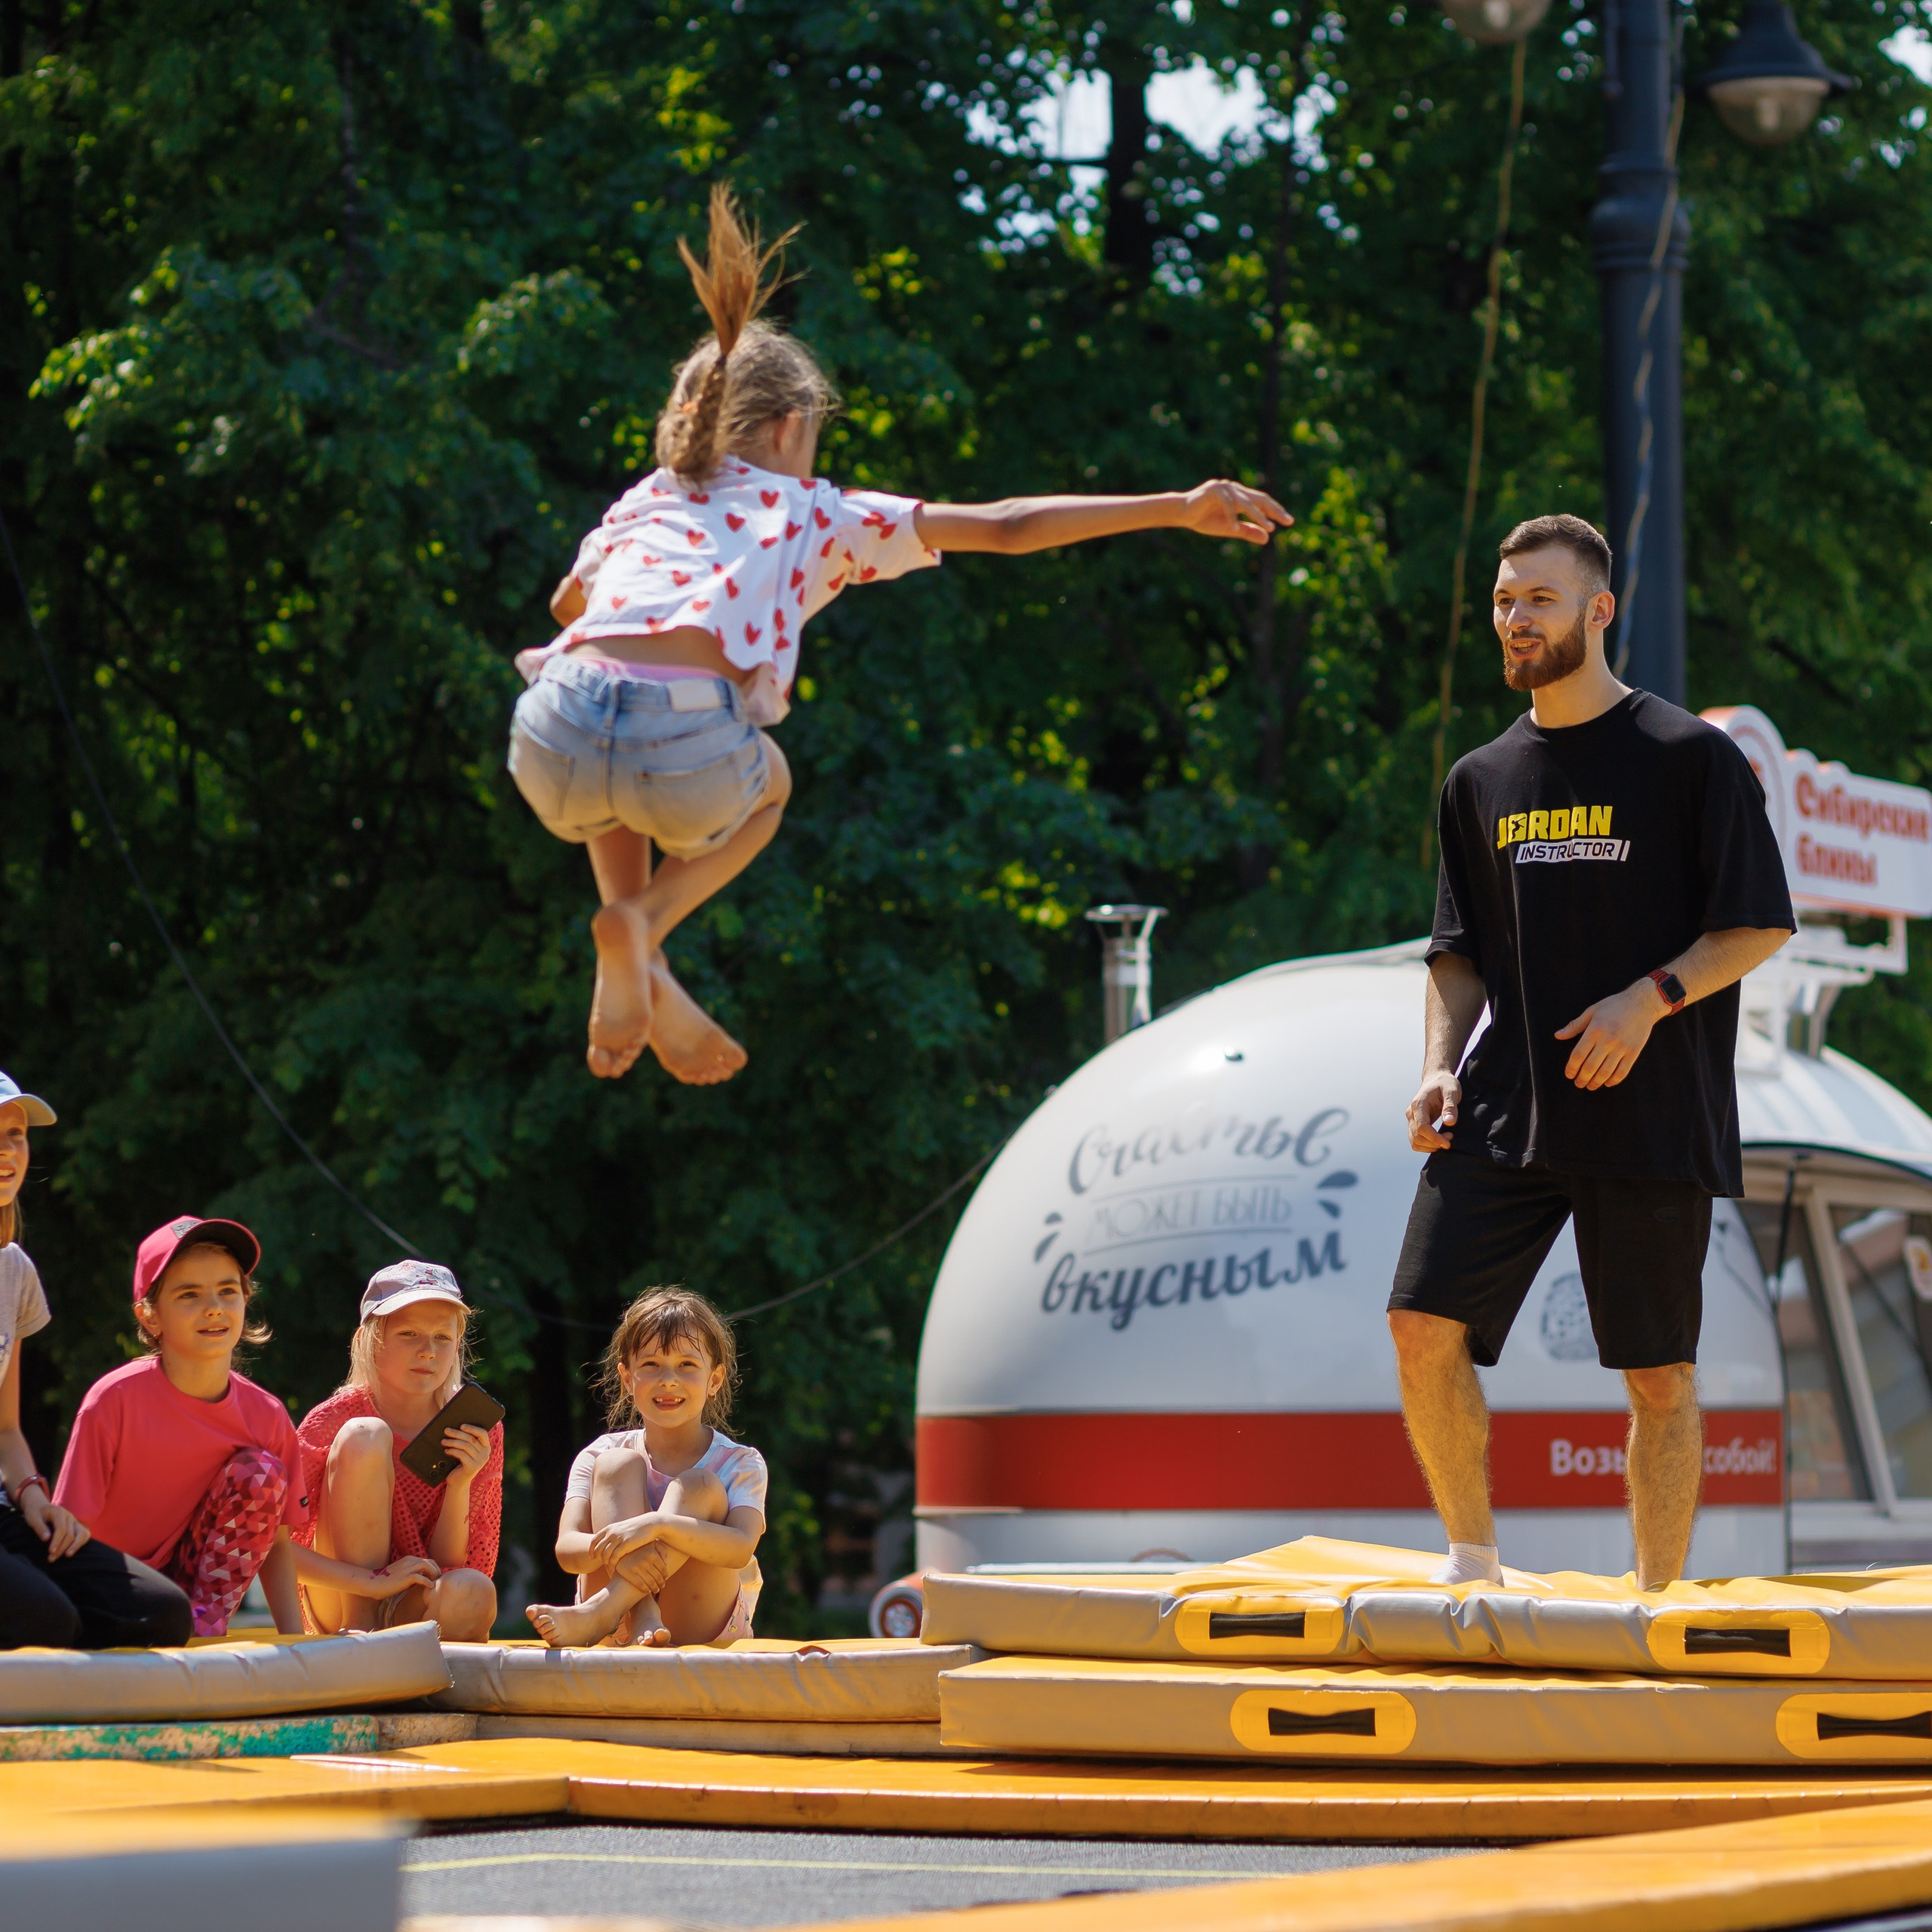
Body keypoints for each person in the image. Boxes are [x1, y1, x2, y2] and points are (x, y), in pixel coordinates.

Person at [513, 183, 1291, 1084]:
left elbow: (570, 611)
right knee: (768, 788)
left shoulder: (644, 498)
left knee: (611, 754)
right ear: (789, 427)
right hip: (682, 743)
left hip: (551, 732)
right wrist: (1175, 507)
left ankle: (638, 946)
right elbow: (1006, 524)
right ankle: (642, 930)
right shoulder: (816, 509)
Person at [1388, 513, 1796, 1592]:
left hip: (1651, 1117)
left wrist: (1648, 1001)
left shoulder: (1690, 758)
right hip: (1506, 1108)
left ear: (1598, 611)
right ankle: (1472, 1566)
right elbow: (1457, 952)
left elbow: (1757, 924)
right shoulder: (1478, 778)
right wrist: (1438, 1064)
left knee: (1658, 1379)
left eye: (1540, 601)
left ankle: (1653, 1605)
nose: (1516, 620)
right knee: (1421, 1325)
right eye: (1505, 601)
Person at [0, 1077, 195, 1650]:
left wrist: (38, 1501)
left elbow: (6, 1429)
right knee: (46, 1622)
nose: (7, 1151)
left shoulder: (14, 1272)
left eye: (15, 1135)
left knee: (158, 1614)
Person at [54, 1215, 309, 1637]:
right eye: (189, 1294)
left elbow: (278, 1544)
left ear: (246, 1300)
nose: (213, 1306)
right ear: (150, 1316)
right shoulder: (112, 1401)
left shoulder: (267, 1415)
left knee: (261, 1473)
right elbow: (71, 1531)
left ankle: (202, 1630)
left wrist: (299, 1647)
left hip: (191, 1590)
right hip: (110, 1584)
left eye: (228, 1291)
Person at [526, 1287, 765, 1648]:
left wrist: (657, 1525)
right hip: (619, 1632)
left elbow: (740, 1548)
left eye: (687, 1365)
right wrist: (621, 1546)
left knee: (699, 1486)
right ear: (627, 1378)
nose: (668, 1379)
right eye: (651, 1365)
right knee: (616, 1464)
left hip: (698, 1625)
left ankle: (606, 1608)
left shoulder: (739, 1462)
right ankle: (638, 1611)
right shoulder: (600, 1454)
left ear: (714, 1380)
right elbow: (568, 1550)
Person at [291, 1261, 500, 1640]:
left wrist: (460, 1484)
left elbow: (456, 1568)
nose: (428, 1351)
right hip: (340, 1599)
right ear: (367, 1340)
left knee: (475, 1592)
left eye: (442, 1337)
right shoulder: (331, 1421)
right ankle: (361, 1634)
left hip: (413, 1601)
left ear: (458, 1344)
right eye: (409, 1334)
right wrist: (372, 1582)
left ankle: (411, 1668)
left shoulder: (475, 1427)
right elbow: (273, 1551)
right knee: (365, 1434)